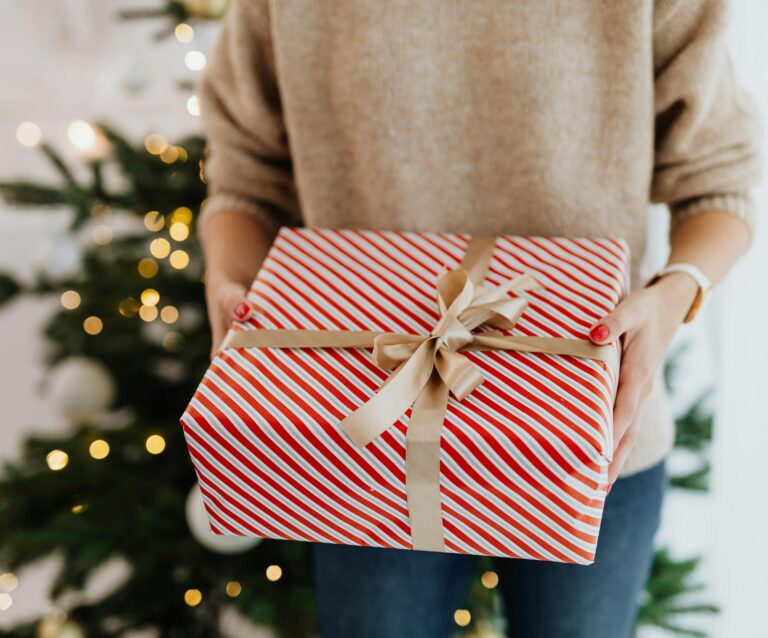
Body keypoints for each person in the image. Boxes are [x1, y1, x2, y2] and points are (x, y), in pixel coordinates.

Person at [195, 1, 762, 636]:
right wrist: (228, 280)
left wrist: (673, 294)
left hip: (592, 438)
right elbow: (243, 181)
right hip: (359, 436)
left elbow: (720, 187)